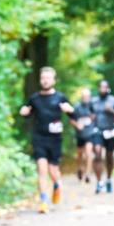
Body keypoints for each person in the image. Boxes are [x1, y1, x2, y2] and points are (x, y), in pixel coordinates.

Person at [20, 67, 75, 213]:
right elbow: (26, 112)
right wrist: (24, 112)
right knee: (41, 168)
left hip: (55, 139)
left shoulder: (60, 97)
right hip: (39, 137)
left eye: (48, 78)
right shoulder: (35, 98)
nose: (45, 81)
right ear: (40, 80)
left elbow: (72, 114)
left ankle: (57, 184)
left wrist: (70, 111)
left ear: (53, 80)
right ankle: (43, 201)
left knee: (53, 170)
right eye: (43, 78)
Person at [90, 79, 114, 194]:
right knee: (97, 154)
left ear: (108, 88)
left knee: (109, 157)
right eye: (100, 87)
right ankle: (99, 182)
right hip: (98, 131)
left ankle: (109, 179)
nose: (102, 89)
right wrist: (91, 118)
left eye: (105, 87)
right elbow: (89, 114)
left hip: (110, 131)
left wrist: (112, 111)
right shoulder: (93, 101)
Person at [71, 87, 96, 184]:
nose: (86, 98)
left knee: (89, 153)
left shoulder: (92, 106)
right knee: (80, 154)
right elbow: (71, 120)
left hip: (90, 133)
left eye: (88, 96)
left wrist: (93, 118)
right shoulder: (77, 107)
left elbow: (96, 116)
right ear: (81, 97)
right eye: (84, 96)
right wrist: (77, 125)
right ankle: (80, 168)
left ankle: (88, 174)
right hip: (80, 134)